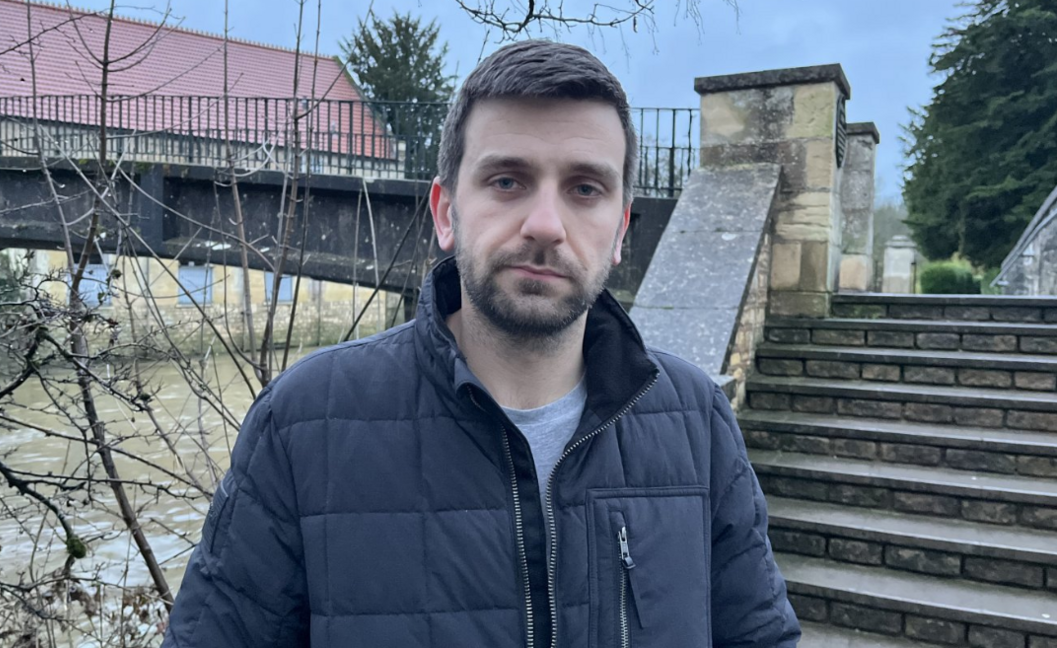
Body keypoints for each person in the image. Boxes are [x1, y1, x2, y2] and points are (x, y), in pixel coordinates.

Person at [162, 39, 801, 648]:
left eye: (585, 189)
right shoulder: (303, 425)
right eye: (507, 181)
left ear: (620, 231)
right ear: (445, 212)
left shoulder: (696, 423)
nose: (546, 225)